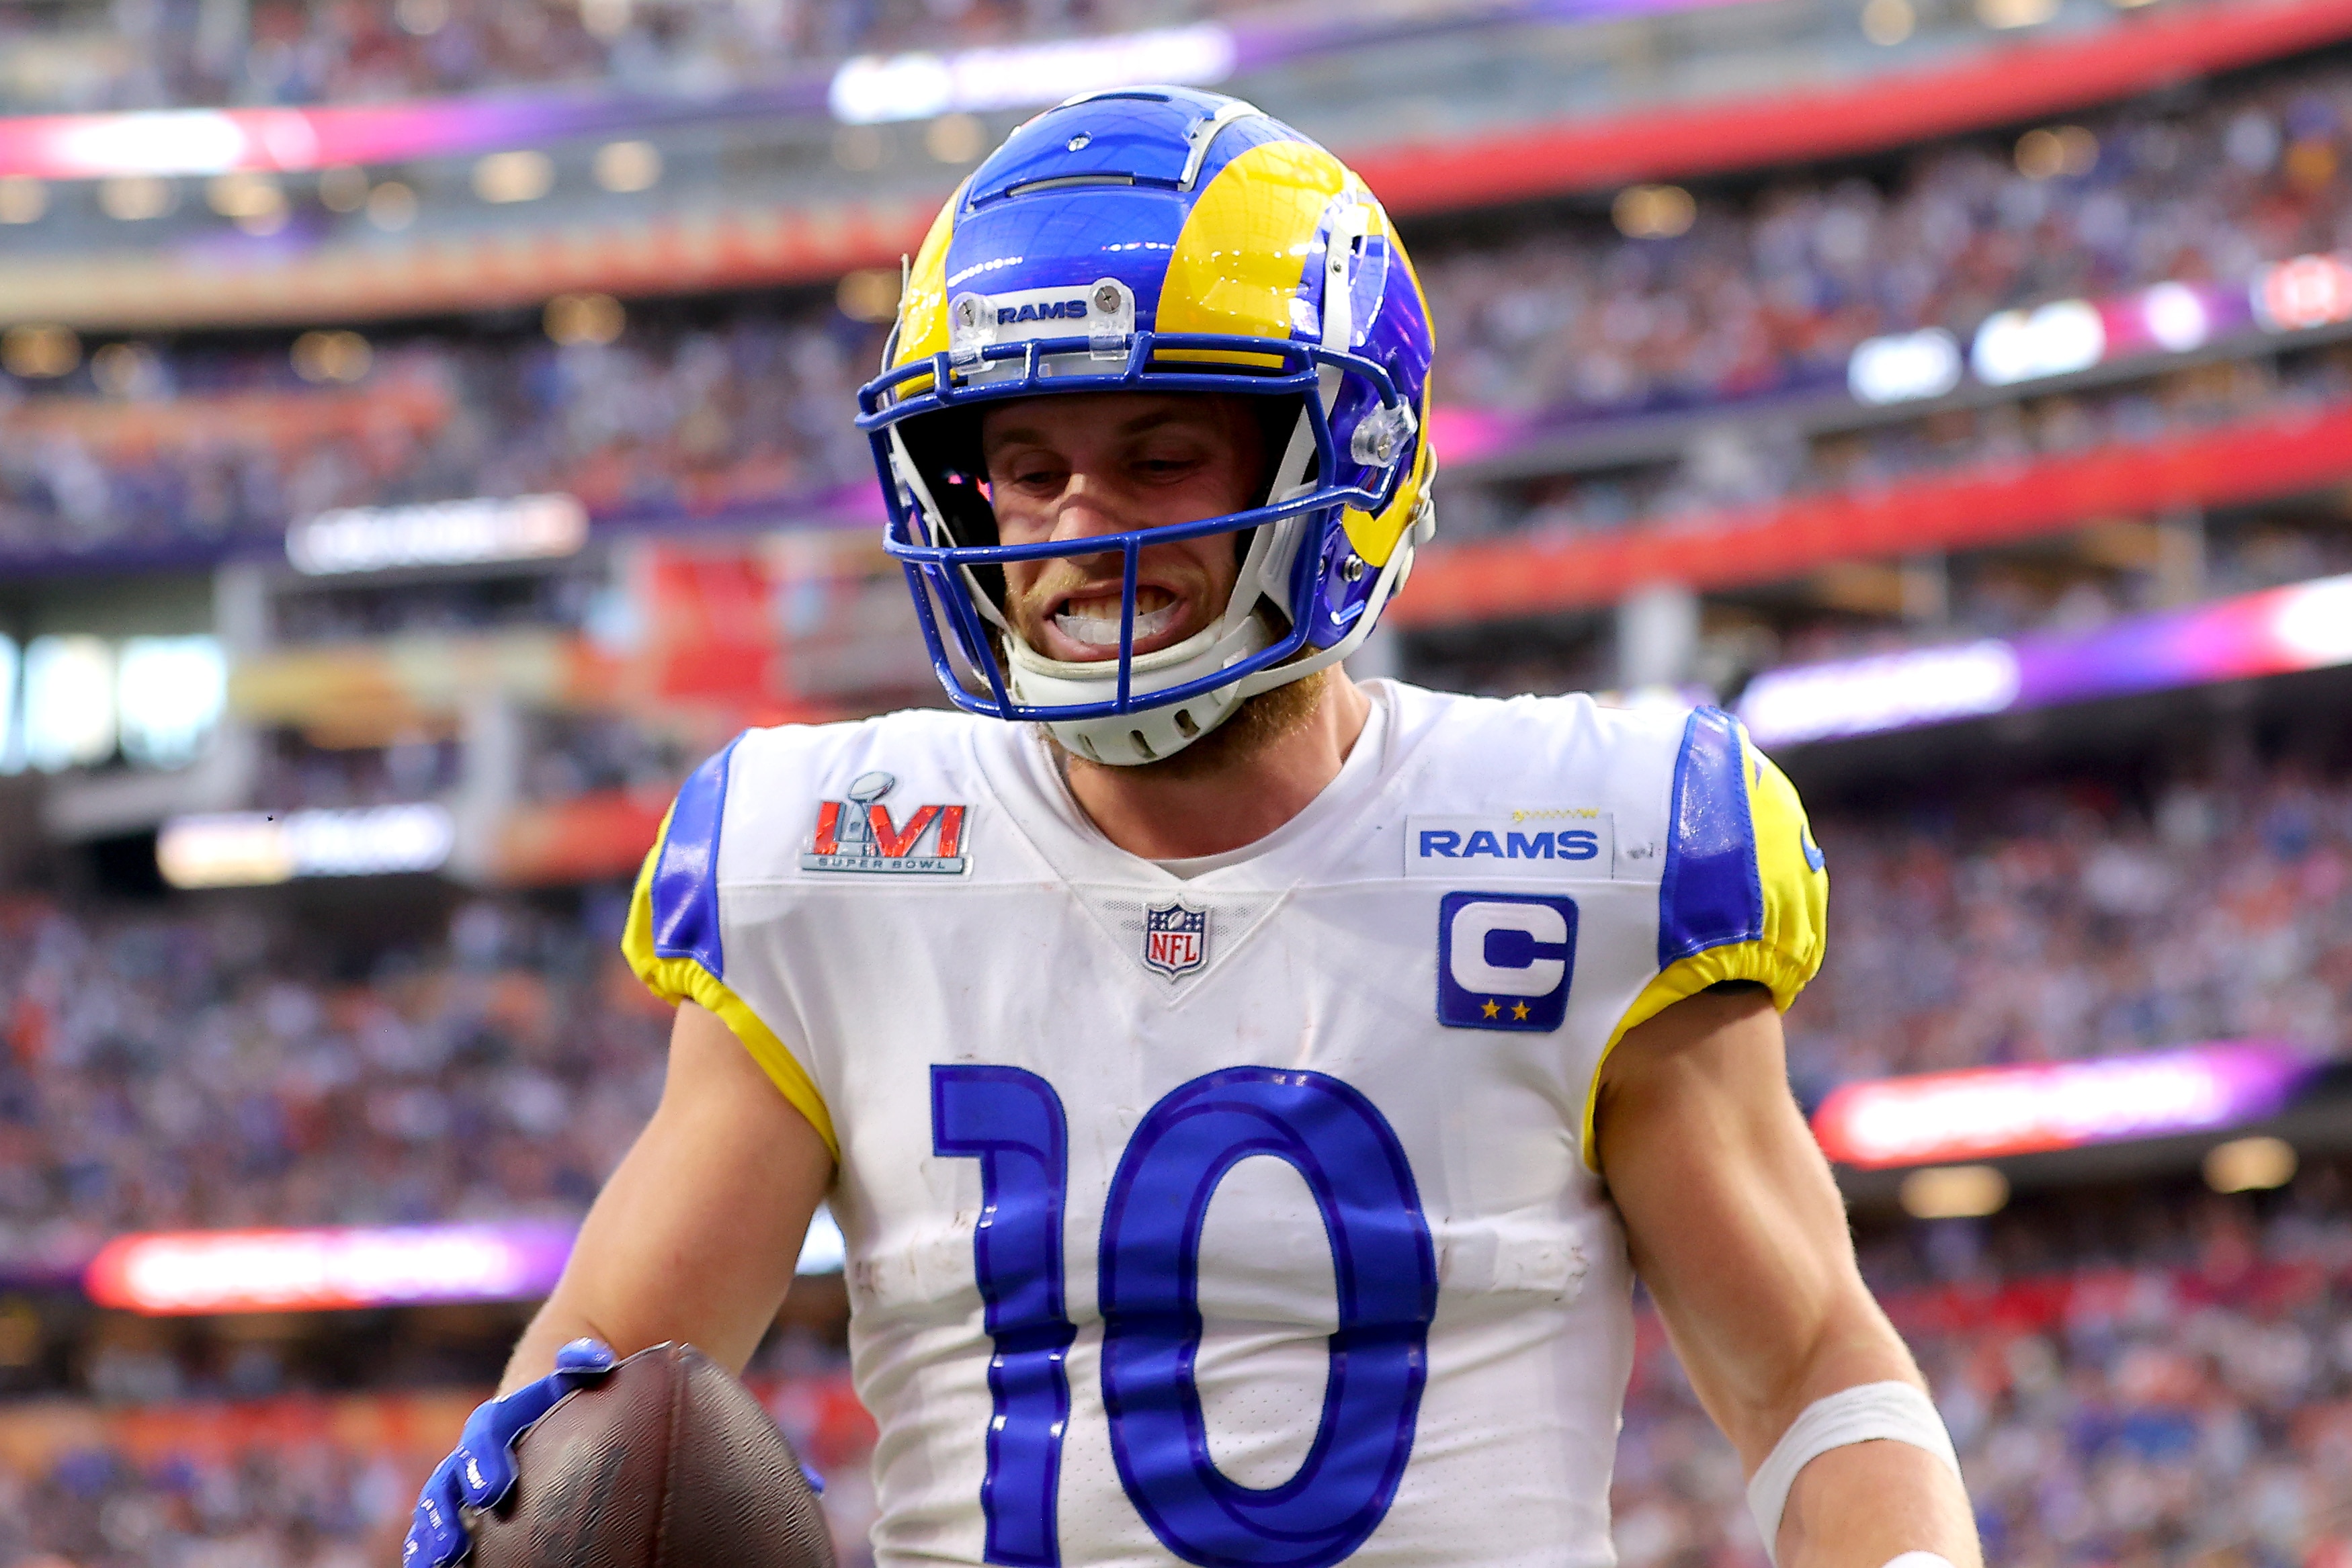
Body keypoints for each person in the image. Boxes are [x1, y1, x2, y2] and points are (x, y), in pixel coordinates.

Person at [409, 88, 1979, 1568]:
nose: (1078, 529)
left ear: (1347, 461)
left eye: (1158, 458)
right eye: (1027, 471)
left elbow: (1808, 1377)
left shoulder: (1601, 839)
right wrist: (530, 1479)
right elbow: (604, 1394)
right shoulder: (827, 859)